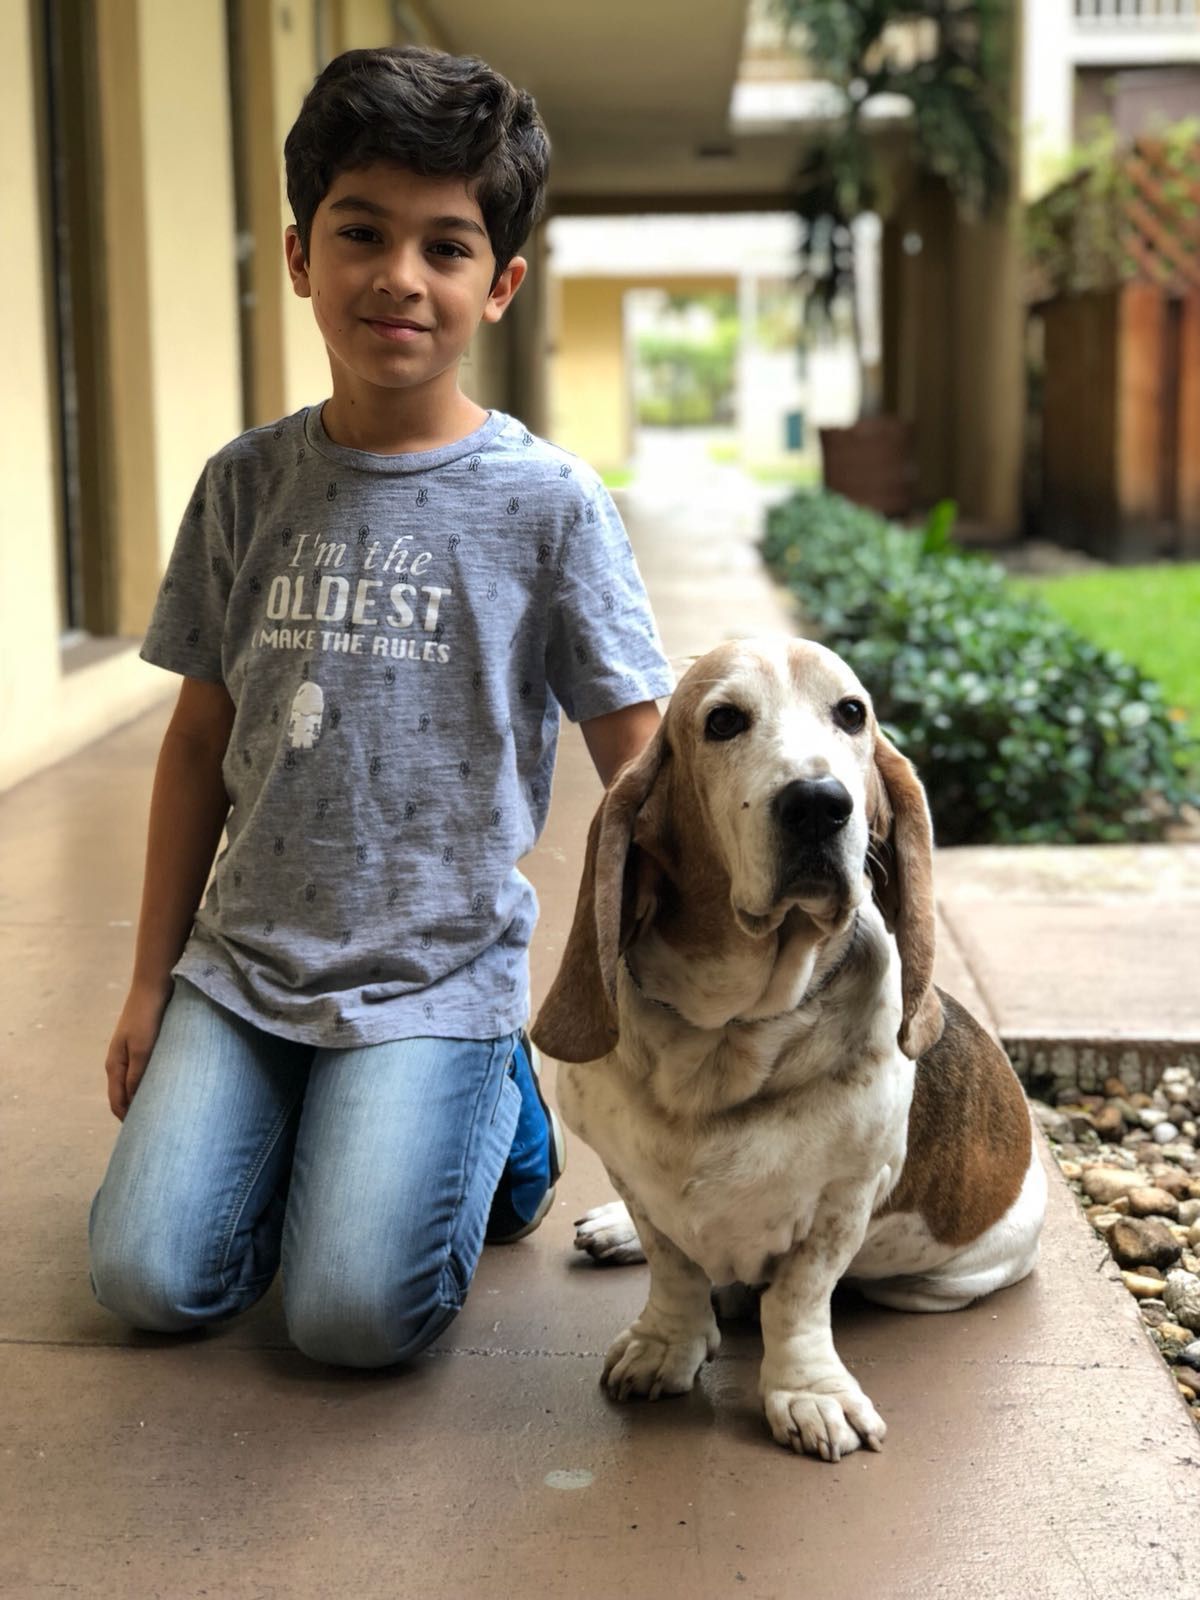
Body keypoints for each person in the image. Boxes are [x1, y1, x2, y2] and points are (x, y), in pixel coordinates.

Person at [88, 44, 671, 1369]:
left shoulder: (549, 505)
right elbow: (196, 744)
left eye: (446, 246)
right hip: (243, 968)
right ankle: (325, 1108)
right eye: (361, 232)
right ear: (301, 255)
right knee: (147, 1282)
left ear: (500, 283)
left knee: (351, 1319)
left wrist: (630, 1003)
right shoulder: (245, 485)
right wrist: (146, 985)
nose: (398, 275)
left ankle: (497, 1111)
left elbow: (639, 758)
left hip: (435, 972)